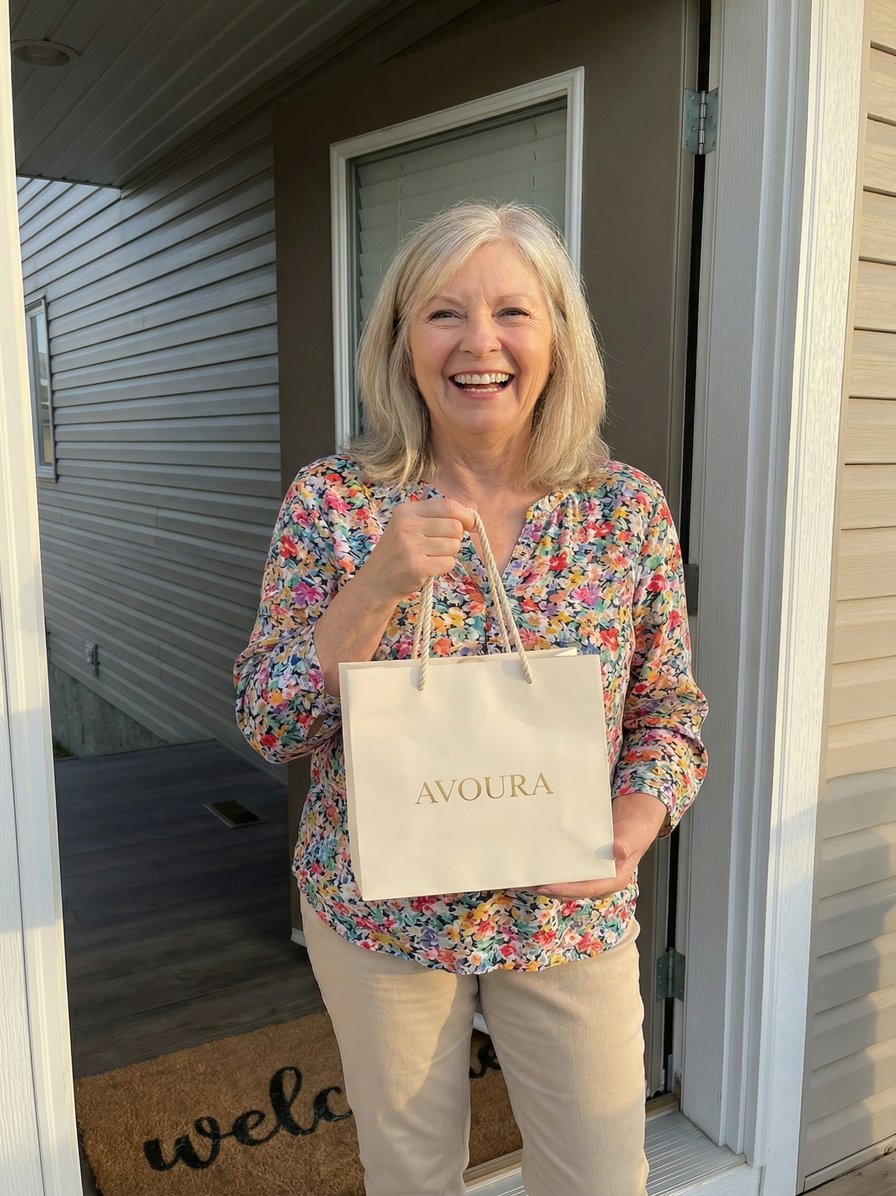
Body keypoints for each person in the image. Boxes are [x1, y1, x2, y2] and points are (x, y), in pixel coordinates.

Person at [234, 201, 707, 1196]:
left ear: (556, 337)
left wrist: (623, 836)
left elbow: (668, 713)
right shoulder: (335, 502)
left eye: (512, 312)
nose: (479, 342)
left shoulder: (623, 510)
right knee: (409, 1176)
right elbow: (270, 722)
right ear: (402, 341)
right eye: (444, 313)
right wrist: (374, 586)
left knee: (599, 1178)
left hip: (563, 915)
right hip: (383, 914)